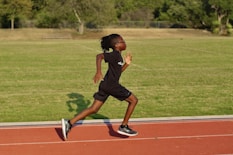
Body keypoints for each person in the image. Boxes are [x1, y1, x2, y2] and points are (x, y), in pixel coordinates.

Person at [62, 34, 138, 140]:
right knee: (133, 100)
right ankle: (124, 126)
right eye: (122, 41)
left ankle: (69, 123)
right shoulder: (115, 55)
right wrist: (98, 71)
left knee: (94, 109)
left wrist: (126, 64)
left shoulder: (118, 56)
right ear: (117, 45)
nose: (124, 42)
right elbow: (99, 56)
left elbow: (117, 73)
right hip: (112, 86)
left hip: (106, 85)